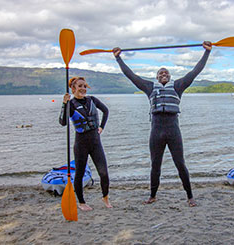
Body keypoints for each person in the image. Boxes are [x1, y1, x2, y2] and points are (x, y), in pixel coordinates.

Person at [112, 41, 212, 207]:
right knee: (155, 165)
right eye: (160, 73)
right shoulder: (149, 87)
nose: (163, 73)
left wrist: (207, 52)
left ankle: (190, 196)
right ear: (156, 77)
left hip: (173, 131)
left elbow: (195, 71)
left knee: (180, 164)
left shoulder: (179, 85)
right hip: (156, 132)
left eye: (166, 72)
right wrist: (118, 58)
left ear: (170, 77)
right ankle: (152, 196)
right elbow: (131, 75)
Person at [59, 76, 112, 211]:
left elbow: (106, 111)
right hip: (81, 143)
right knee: (80, 173)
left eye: (84, 86)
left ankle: (105, 197)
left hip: (95, 142)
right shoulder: (70, 104)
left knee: (104, 173)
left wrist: (101, 127)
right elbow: (62, 122)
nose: (83, 88)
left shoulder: (92, 100)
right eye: (80, 86)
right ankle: (81, 202)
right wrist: (64, 104)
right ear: (73, 88)